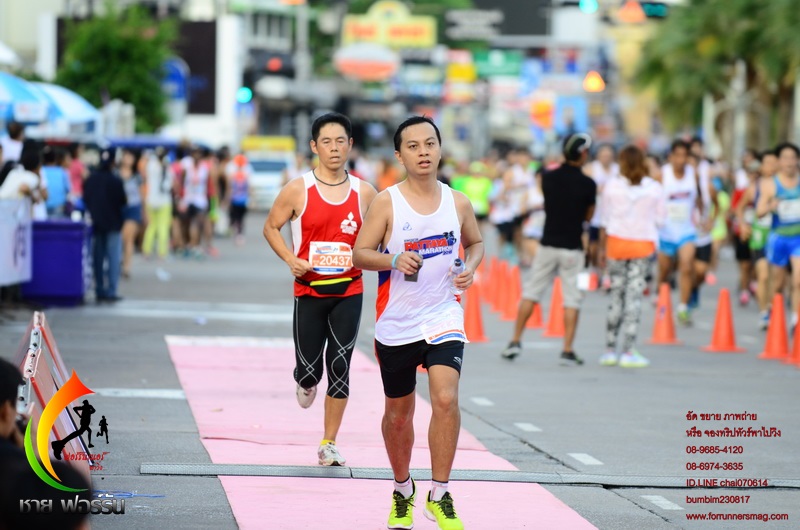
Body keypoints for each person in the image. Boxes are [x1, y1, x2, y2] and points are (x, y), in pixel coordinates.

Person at [353, 115, 483, 530]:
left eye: (430, 144)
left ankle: (440, 494)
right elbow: (359, 253)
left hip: (444, 314)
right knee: (398, 416)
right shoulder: (387, 202)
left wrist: (470, 267)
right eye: (413, 146)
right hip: (397, 323)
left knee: (445, 399)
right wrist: (393, 259)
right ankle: (402, 488)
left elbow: (476, 242)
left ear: (440, 150)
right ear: (399, 155)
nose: (423, 152)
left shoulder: (458, 202)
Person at [263, 113, 377, 467]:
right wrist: (290, 259)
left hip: (349, 290)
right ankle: (305, 378)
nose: (334, 148)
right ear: (314, 146)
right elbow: (270, 227)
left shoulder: (365, 193)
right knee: (311, 371)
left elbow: (384, 234)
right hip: (309, 292)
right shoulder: (298, 189)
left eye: (340, 141)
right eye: (326, 142)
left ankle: (329, 442)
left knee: (340, 365)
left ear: (350, 145)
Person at [500, 133, 597, 365]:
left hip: (547, 244)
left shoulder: (548, 178)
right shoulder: (588, 184)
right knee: (572, 299)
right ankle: (567, 349)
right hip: (572, 247)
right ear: (583, 153)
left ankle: (515, 341)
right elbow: (588, 216)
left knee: (531, 292)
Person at [598, 146, 666, 368]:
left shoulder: (612, 186)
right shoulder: (654, 188)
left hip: (616, 244)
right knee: (633, 298)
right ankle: (628, 351)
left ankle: (609, 350)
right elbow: (661, 220)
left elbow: (604, 219)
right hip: (642, 246)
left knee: (616, 296)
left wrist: (601, 249)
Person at [756, 142, 800, 330]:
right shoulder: (769, 184)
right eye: (785, 158)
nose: (789, 162)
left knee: (798, 280)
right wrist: (770, 206)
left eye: (793, 158)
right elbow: (759, 212)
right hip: (778, 238)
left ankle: (795, 319)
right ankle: (772, 311)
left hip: (798, 238)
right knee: (778, 284)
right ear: (779, 161)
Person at [656, 140, 698, 325]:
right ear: (670, 156)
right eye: (677, 155)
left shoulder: (693, 174)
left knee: (687, 266)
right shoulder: (661, 175)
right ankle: (660, 297)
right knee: (665, 271)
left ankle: (683, 307)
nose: (681, 160)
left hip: (686, 230)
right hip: (665, 231)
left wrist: (705, 217)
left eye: (684, 156)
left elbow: (701, 196)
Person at [736, 151, 778, 329]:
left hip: (780, 234)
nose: (771, 167)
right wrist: (743, 225)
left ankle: (774, 307)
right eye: (767, 163)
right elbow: (739, 207)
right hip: (760, 234)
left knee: (777, 279)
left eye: (774, 163)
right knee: (763, 274)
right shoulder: (755, 187)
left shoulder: (788, 186)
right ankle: (764, 313)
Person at [84, 148, 127, 302]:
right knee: (113, 258)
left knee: (98, 258)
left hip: (96, 223)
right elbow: (123, 201)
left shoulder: (91, 179)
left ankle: (99, 289)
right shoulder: (116, 180)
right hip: (113, 224)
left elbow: (86, 198)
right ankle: (111, 290)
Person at [586, 144, 619, 289]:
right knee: (593, 248)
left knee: (607, 246)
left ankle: (607, 274)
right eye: (603, 155)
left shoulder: (618, 170)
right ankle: (595, 270)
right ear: (598, 156)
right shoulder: (591, 169)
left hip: (613, 216)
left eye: (608, 155)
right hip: (596, 215)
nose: (606, 158)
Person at [142, 149, 174, 260]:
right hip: (164, 201)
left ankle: (147, 250)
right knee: (163, 227)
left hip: (151, 200)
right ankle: (162, 252)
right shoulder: (166, 166)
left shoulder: (151, 165)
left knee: (151, 226)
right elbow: (170, 184)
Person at [227, 153, 251, 245]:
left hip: (240, 199)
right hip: (238, 199)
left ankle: (238, 233)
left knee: (239, 218)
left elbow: (248, 188)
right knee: (239, 218)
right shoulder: (244, 174)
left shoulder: (234, 175)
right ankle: (238, 233)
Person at [41, 148, 71, 219]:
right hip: (59, 206)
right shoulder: (62, 171)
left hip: (43, 207)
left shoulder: (41, 170)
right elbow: (68, 189)